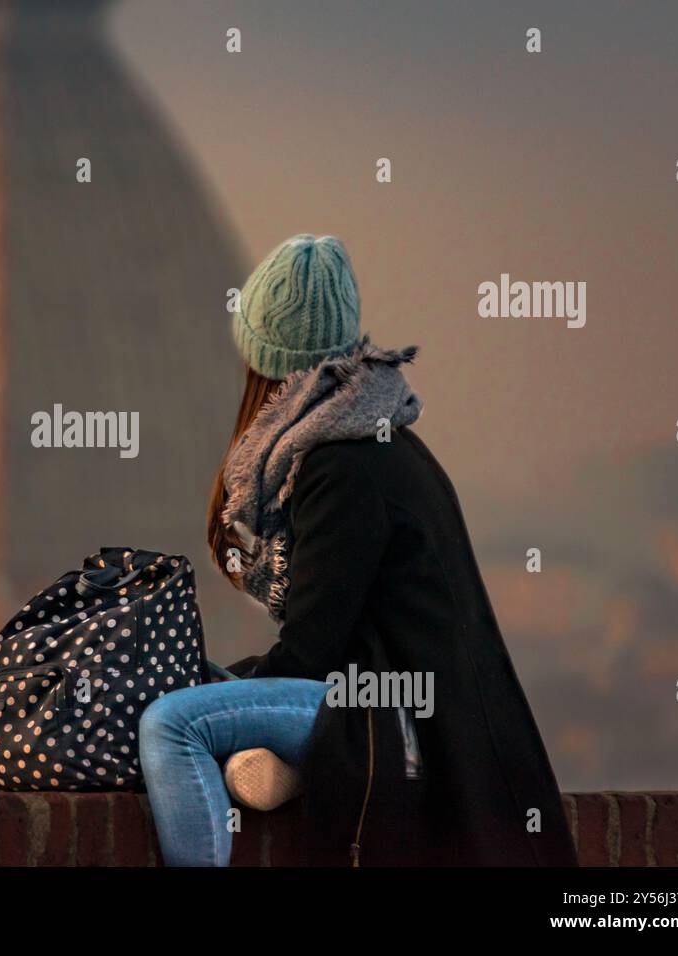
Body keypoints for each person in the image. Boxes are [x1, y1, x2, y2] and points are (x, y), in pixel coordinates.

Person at [138, 234, 577, 867]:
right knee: (196, 687)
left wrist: (234, 689)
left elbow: (312, 651)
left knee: (171, 723)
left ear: (267, 360)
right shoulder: (380, 440)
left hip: (383, 711)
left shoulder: (341, 467)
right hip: (377, 699)